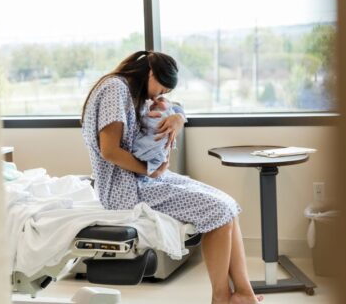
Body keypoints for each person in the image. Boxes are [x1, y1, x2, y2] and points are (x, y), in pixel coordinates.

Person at [81, 50, 262, 304]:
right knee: (219, 212)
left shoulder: (133, 91)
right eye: (162, 90)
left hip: (143, 180)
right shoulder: (115, 89)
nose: (159, 96)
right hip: (124, 189)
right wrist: (150, 170)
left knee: (229, 205)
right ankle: (221, 298)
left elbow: (174, 108)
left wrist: (178, 118)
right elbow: (109, 151)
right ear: (151, 74)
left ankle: (244, 293)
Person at [132, 96, 183, 176]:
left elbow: (178, 109)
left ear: (169, 106)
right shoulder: (152, 110)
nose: (155, 101)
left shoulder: (166, 113)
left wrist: (179, 117)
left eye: (161, 100)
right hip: (153, 140)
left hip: (160, 144)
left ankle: (149, 160)